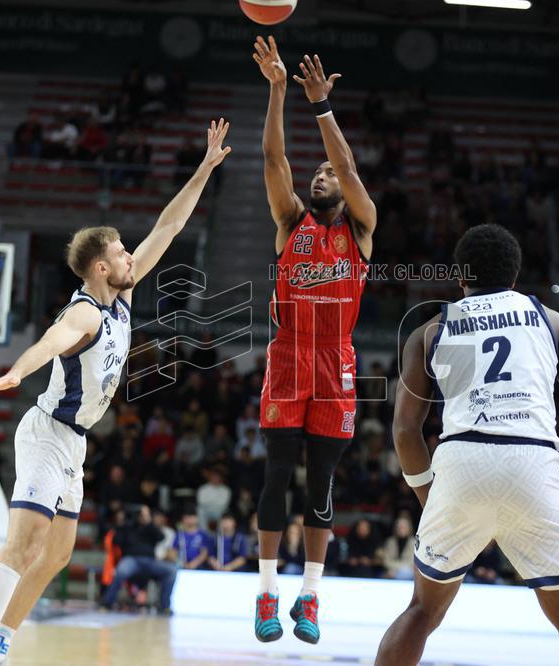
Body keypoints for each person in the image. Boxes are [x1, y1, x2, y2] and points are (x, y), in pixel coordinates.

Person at [0, 119, 230, 666]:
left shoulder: (122, 297)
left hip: (76, 442)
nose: (135, 256)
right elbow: (52, 339)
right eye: (124, 253)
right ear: (102, 266)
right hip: (47, 433)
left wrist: (203, 168)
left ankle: (0, 643)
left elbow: (169, 226)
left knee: (57, 554)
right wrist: (17, 370)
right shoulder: (86, 309)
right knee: (25, 541)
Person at [374, 224, 559, 666]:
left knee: (422, 612)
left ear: (461, 277)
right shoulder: (551, 321)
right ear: (515, 278)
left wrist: (429, 496)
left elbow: (405, 431)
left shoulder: (433, 329)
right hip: (531, 460)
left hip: (462, 460)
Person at [251, 35, 377, 645]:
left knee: (322, 484)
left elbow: (350, 167)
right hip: (288, 356)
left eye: (330, 173)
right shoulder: (290, 221)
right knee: (278, 476)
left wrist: (322, 108)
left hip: (336, 362)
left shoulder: (362, 228)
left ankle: (312, 597)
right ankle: (268, 592)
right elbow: (275, 161)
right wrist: (279, 92)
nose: (324, 175)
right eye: (319, 172)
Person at [100, 506, 177, 613]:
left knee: (171, 570)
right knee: (121, 571)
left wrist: (149, 522)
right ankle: (107, 603)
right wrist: (122, 524)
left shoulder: (150, 527)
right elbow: (116, 541)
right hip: (131, 560)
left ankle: (165, 606)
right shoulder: (127, 526)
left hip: (150, 561)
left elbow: (161, 538)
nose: (140, 517)